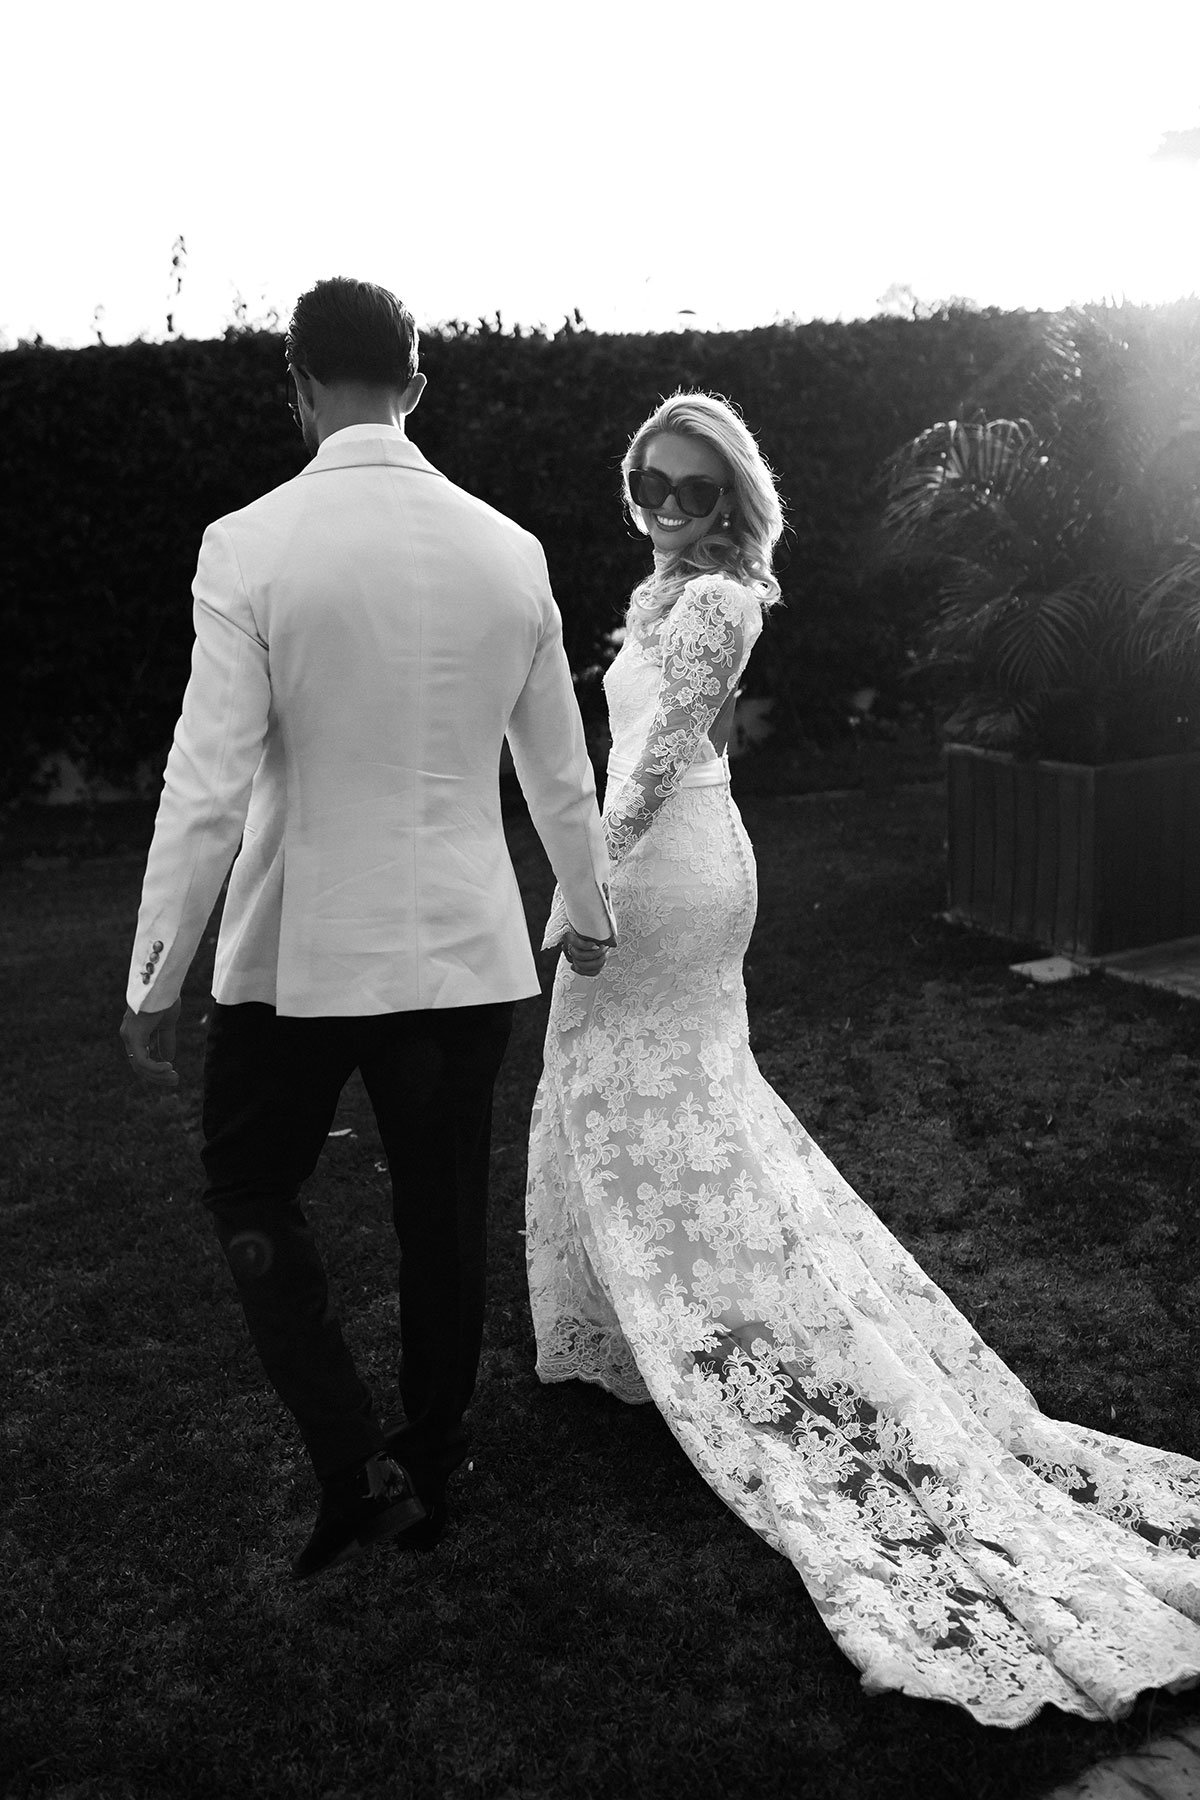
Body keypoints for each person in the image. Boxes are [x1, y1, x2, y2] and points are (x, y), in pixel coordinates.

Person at [525, 390, 1200, 1727]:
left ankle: (717, 1325)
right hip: (656, 863)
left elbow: (659, 757)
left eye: (697, 489)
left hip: (662, 872)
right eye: (653, 482)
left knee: (654, 1096)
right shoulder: (661, 591)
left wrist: (584, 886)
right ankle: (635, 1324)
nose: (671, 504)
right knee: (630, 1094)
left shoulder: (717, 602)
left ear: (734, 501)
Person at [120, 277, 615, 1581]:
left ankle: (356, 1462)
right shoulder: (511, 550)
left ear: (296, 384)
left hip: (299, 956)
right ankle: (434, 1454)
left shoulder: (249, 543)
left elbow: (207, 784)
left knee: (246, 1183)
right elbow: (558, 768)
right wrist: (592, 904)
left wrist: (158, 970)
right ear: (419, 380)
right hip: (469, 955)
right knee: (443, 1213)